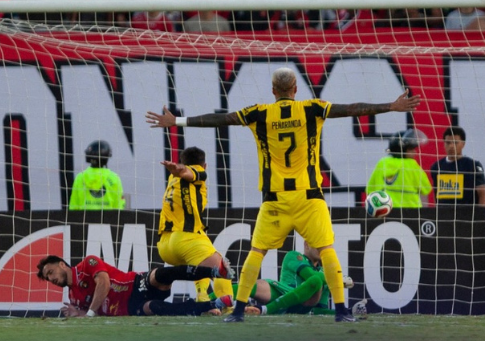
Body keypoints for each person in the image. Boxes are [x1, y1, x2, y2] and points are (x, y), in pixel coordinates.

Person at [145, 67, 422, 322]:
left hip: (275, 199)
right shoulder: (312, 108)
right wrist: (391, 106)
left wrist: (178, 120)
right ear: (295, 90)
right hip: (308, 197)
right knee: (326, 250)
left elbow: (221, 119)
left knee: (256, 253)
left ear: (274, 91)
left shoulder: (259, 113)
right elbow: (351, 109)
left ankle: (238, 311)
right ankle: (340, 311)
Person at [36, 254, 234, 317]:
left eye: (50, 272)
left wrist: (88, 313)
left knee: (161, 274)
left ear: (62, 264)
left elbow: (103, 283)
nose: (51, 279)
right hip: (129, 308)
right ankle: (214, 304)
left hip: (134, 284)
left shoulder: (88, 264)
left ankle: (215, 272)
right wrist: (79, 314)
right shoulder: (73, 298)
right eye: (47, 278)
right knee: (155, 308)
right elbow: (89, 316)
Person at [157, 146, 236, 304]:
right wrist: (185, 170)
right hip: (185, 239)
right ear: (204, 165)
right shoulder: (198, 171)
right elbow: (192, 173)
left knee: (204, 254)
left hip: (165, 246)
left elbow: (186, 173)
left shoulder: (173, 179)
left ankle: (202, 296)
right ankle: (230, 310)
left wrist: (179, 170)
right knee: (222, 269)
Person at [209, 242, 366, 316]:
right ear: (306, 245)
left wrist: (348, 311)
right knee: (257, 284)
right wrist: (334, 277)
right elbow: (309, 275)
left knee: (317, 282)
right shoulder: (294, 256)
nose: (321, 247)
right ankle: (206, 302)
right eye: (317, 244)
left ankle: (264, 310)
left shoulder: (323, 274)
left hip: (301, 307)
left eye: (323, 244)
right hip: (281, 293)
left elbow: (319, 309)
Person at [366, 129, 432, 208]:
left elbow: (370, 189)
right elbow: (426, 189)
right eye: (411, 149)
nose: (415, 152)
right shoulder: (411, 165)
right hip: (411, 212)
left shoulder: (382, 163)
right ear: (401, 150)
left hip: (385, 211)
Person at [430, 126, 485, 205]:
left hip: (467, 215)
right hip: (444, 215)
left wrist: (482, 215)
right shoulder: (436, 167)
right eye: (448, 143)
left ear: (463, 144)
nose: (451, 146)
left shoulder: (473, 166)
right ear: (444, 144)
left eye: (455, 142)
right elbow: (436, 195)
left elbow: (482, 194)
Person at [69, 140, 125, 210]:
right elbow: (119, 207)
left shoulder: (80, 177)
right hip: (109, 220)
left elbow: (73, 206)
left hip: (84, 220)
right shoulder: (114, 178)